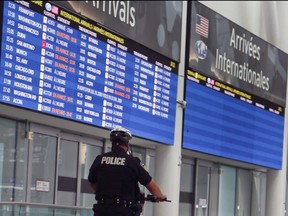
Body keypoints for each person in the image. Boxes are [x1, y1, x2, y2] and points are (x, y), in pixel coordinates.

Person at [88, 126, 167, 216]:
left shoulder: (99, 159)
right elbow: (149, 183)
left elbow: (92, 181)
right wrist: (160, 195)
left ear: (112, 143)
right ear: (127, 144)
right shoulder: (132, 161)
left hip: (101, 210)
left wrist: (104, 193)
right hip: (124, 211)